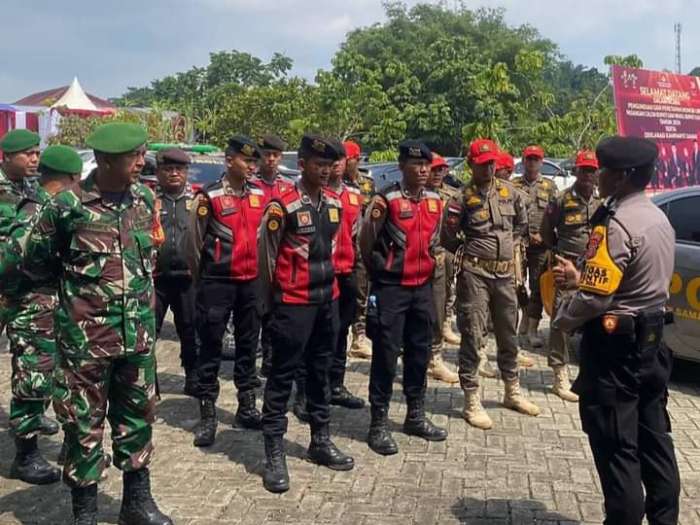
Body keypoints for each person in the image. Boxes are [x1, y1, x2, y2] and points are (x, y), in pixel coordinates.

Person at [19, 123, 171, 524]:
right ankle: (84, 512)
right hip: (85, 344)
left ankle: (136, 503)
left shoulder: (144, 198)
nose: (142, 162)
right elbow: (35, 262)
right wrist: (73, 308)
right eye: (133, 156)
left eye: (142, 154)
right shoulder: (67, 205)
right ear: (104, 160)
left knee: (138, 419)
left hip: (137, 338)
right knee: (82, 426)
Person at [552, 136, 680, 525]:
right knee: (655, 442)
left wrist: (562, 319)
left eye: (604, 170)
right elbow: (625, 281)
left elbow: (595, 299)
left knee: (618, 449)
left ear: (622, 176)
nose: (598, 176)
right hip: (652, 346)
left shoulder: (616, 225)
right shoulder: (658, 217)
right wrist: (581, 278)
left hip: (615, 353)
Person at [258, 134, 354, 494]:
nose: (325, 171)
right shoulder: (281, 206)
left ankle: (320, 440)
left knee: (320, 373)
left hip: (327, 301)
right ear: (302, 165)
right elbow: (266, 259)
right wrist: (270, 306)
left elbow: (335, 250)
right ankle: (274, 452)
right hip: (292, 305)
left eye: (329, 165)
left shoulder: (334, 203)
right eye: (319, 164)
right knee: (281, 378)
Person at [442, 139, 540, 430]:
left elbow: (522, 225)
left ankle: (512, 391)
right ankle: (471, 398)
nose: (488, 168)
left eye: (491, 163)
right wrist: (473, 251)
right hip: (475, 276)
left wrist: (510, 247)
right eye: (483, 164)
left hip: (505, 276)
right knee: (473, 334)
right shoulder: (460, 198)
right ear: (471, 164)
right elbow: (448, 237)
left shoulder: (511, 192)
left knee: (509, 334)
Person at [360, 139, 448, 456]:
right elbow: (365, 241)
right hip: (391, 289)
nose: (423, 170)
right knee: (385, 355)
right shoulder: (386, 200)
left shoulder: (435, 201)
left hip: (422, 288)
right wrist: (383, 271)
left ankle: (415, 415)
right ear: (401, 166)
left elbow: (435, 240)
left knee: (419, 353)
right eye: (416, 164)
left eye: (426, 165)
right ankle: (378, 423)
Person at [0, 145, 81, 486]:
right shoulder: (37, 210)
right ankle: (26, 455)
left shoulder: (59, 207)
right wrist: (25, 293)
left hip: (58, 307)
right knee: (33, 379)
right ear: (70, 178)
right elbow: (8, 263)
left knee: (62, 379)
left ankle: (72, 446)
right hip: (34, 307)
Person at [187, 135, 267, 446]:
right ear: (230, 160)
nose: (252, 166)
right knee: (210, 346)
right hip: (217, 282)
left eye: (254, 161)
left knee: (248, 344)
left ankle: (246, 407)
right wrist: (204, 278)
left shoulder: (259, 195)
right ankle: (208, 415)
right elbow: (193, 245)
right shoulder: (209, 196)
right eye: (247, 160)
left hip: (251, 282)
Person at [541, 150, 600, 402]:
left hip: (593, 269)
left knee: (595, 317)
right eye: (583, 170)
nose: (587, 175)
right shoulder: (561, 200)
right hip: (567, 265)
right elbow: (546, 231)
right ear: (576, 171)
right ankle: (559, 374)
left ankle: (591, 370)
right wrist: (558, 251)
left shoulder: (602, 201)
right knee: (562, 319)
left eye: (591, 170)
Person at [153, 148, 199, 396]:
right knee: (149, 331)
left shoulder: (197, 202)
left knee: (190, 330)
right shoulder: (149, 201)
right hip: (156, 279)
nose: (173, 174)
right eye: (168, 169)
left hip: (187, 278)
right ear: (158, 172)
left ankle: (192, 376)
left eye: (179, 169)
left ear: (186, 172)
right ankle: (149, 381)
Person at [325, 141, 365, 409]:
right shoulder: (315, 193)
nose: (337, 164)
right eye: (332, 159)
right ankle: (309, 392)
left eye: (341, 159)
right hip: (321, 273)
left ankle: (336, 385)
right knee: (319, 335)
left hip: (347, 271)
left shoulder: (354, 195)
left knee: (341, 332)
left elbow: (359, 234)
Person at [254, 134, 294, 377]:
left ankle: (271, 358)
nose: (271, 159)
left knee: (276, 308)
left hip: (280, 256)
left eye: (275, 155)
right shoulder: (250, 184)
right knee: (256, 310)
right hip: (253, 256)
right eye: (267, 154)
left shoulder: (287, 186)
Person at [512, 145, 558, 348]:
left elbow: (555, 215)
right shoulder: (513, 185)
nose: (532, 163)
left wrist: (545, 235)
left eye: (536, 159)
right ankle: (524, 313)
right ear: (523, 161)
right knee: (516, 284)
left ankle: (532, 328)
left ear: (541, 162)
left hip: (541, 245)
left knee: (538, 286)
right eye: (529, 159)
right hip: (519, 244)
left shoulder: (550, 186)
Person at [0, 130, 40, 337]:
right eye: (28, 154)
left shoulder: (32, 186)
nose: (34, 159)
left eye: (37, 153)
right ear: (7, 156)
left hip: (21, 284)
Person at [425, 153, 460, 384]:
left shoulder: (451, 195)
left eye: (441, 170)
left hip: (441, 256)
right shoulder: (414, 195)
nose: (438, 174)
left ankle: (434, 358)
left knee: (441, 305)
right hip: (417, 260)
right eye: (434, 169)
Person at [345, 140, 375, 360]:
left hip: (362, 245)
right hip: (343, 244)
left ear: (357, 160)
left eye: (350, 160)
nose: (347, 163)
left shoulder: (367, 184)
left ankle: (359, 335)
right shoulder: (334, 183)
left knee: (362, 291)